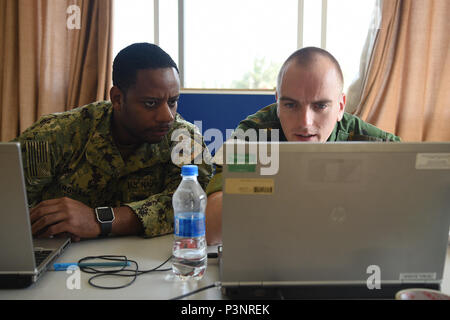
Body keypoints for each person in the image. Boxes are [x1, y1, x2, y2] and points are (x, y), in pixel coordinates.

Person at [12, 43, 212, 242]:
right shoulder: (55, 136)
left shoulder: (184, 140)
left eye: (172, 102)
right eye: (150, 104)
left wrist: (98, 220)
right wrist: (48, 223)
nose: (166, 116)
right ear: (117, 98)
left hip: (148, 262)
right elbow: (8, 205)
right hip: (60, 259)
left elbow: (193, 204)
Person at [204, 47, 400, 245]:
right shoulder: (255, 137)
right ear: (278, 103)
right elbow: (211, 229)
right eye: (290, 105)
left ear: (340, 107)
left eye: (320, 106)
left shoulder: (369, 142)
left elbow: (415, 195)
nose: (305, 122)